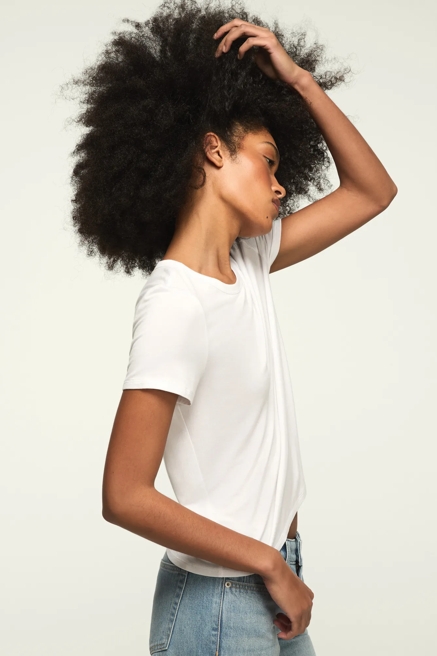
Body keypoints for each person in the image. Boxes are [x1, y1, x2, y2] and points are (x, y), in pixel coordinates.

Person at [62, 0, 397, 653]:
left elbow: (371, 191)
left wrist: (300, 82)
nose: (280, 186)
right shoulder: (176, 303)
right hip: (221, 602)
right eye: (268, 160)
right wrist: (268, 562)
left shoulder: (250, 261)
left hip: (272, 581)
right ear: (213, 149)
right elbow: (124, 494)